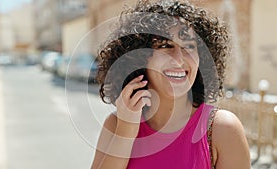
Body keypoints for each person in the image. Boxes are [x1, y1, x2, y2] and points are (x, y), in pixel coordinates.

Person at [91, 0, 250, 169]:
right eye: (165, 45)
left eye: (189, 46)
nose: (179, 59)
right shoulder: (116, 124)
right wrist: (126, 130)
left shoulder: (222, 129)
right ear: (139, 58)